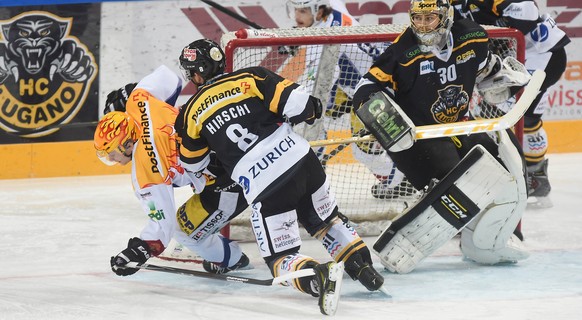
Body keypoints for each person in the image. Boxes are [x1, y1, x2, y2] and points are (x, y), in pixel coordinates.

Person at [176, 38, 384, 315]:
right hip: (303, 161)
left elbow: (193, 163)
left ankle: (316, 278)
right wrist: (311, 110)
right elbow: (302, 104)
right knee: (326, 220)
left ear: (197, 73)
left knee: (280, 257)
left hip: (265, 185)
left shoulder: (189, 112)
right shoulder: (251, 76)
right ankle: (364, 268)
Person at [352, 0, 532, 273]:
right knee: (459, 182)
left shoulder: (472, 36)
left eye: (430, 18)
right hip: (418, 138)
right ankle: (471, 234)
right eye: (418, 18)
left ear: (446, 16)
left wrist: (502, 78)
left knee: (507, 159)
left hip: (458, 126)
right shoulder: (403, 51)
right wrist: (381, 117)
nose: (422, 25)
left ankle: (496, 231)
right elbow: (365, 88)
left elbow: (486, 69)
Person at [95, 65, 250, 277]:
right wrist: (134, 90)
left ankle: (232, 260)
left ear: (127, 143)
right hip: (237, 142)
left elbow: (162, 223)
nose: (112, 159)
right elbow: (169, 78)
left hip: (231, 179)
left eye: (112, 153)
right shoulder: (139, 100)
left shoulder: (146, 165)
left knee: (183, 231)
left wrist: (139, 250)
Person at [450, 0, 571, 208]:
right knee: (524, 118)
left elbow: (529, 14)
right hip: (518, 57)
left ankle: (527, 175)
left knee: (503, 116)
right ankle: (533, 175)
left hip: (542, 56)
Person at [283, 0, 409, 199]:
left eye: (303, 11)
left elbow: (316, 90)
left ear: (319, 11)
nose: (297, 16)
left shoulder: (323, 45)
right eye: (296, 10)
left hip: (379, 95)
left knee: (363, 150)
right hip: (379, 77)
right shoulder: (334, 8)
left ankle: (403, 182)